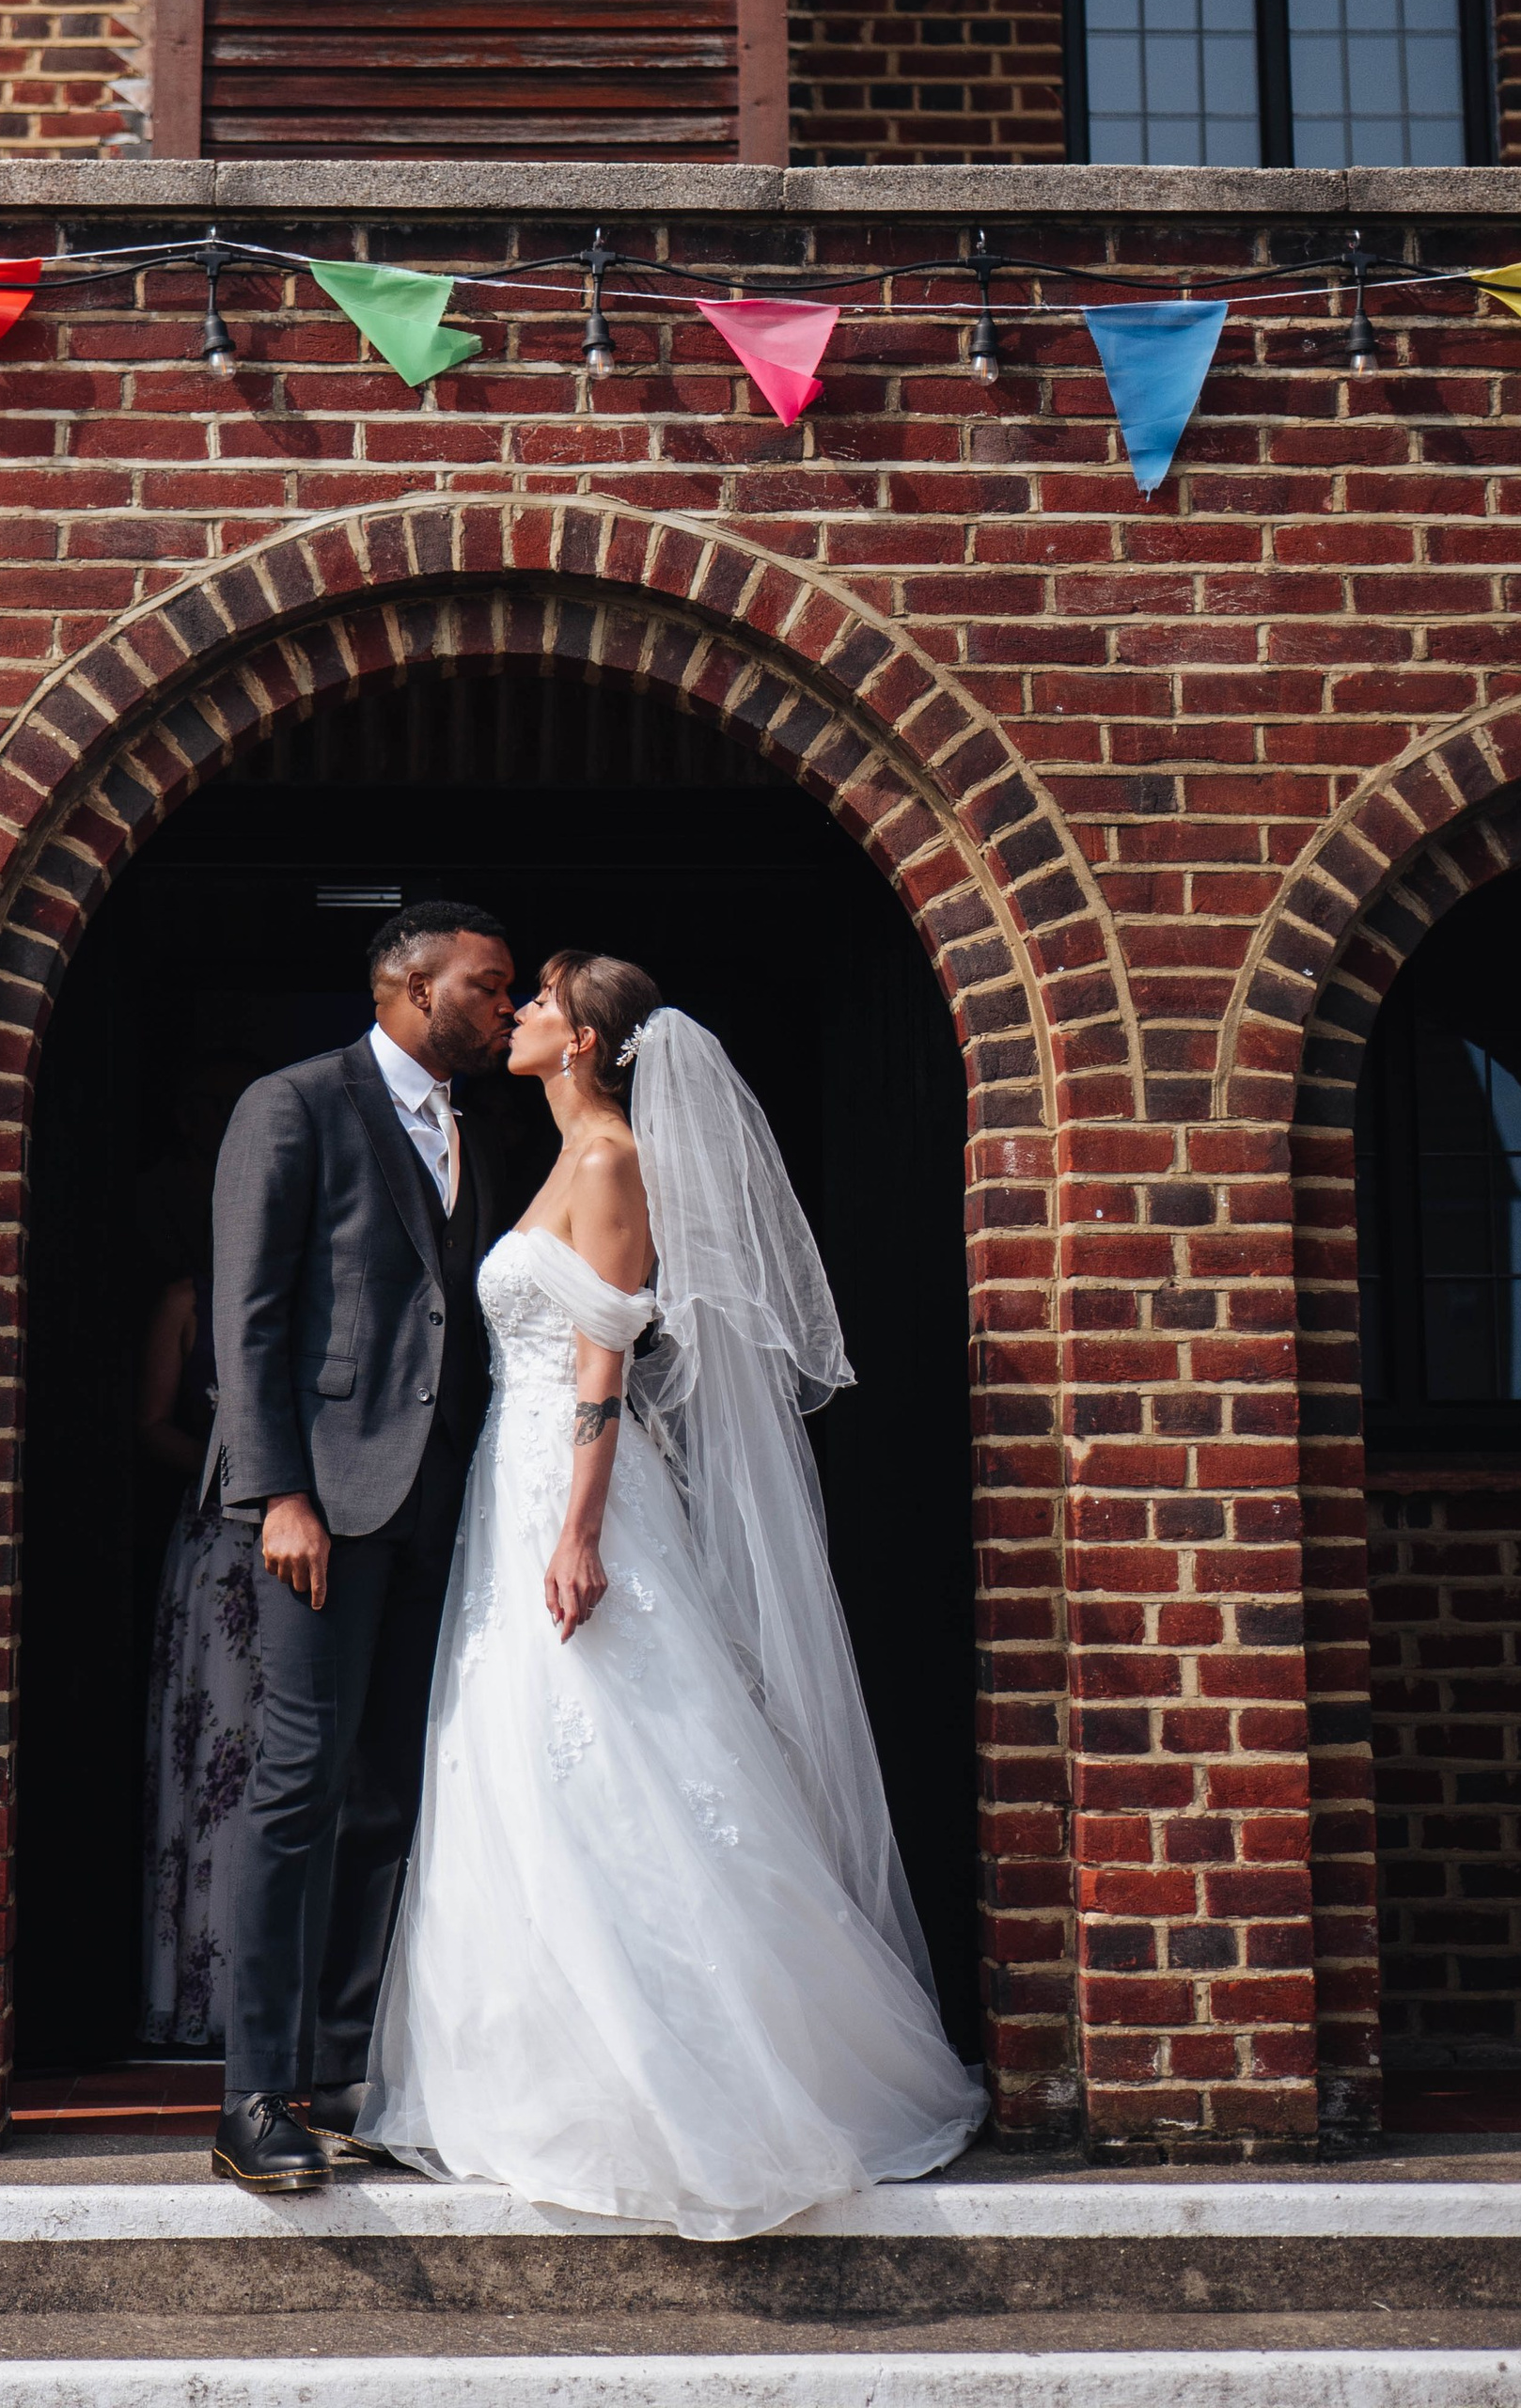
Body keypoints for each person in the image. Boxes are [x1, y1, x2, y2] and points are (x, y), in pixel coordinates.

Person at [360, 953, 985, 2239]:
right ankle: (535, 2072)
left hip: (572, 1490)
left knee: (616, 1744)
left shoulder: (607, 1162)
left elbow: (604, 1359)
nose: (518, 1018)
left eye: (538, 1005)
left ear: (586, 1041)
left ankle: (700, 2078)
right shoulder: (559, 1157)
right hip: (515, 1479)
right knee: (523, 1755)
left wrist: (582, 1532)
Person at [204, 899, 518, 2194]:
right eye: (487, 987)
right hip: (323, 1505)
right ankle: (252, 2097)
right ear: (408, 984)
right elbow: (252, 1318)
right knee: (296, 1786)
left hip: (438, 1505)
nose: (503, 1009)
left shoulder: (468, 1125)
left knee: (390, 1789)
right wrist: (279, 1493)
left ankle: (340, 2073)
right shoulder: (296, 1104)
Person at [136, 1265, 263, 2047]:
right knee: (210, 1752)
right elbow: (150, 1421)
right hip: (218, 1546)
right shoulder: (187, 1297)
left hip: (304, 1547)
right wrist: (230, 1471)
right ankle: (196, 1997)